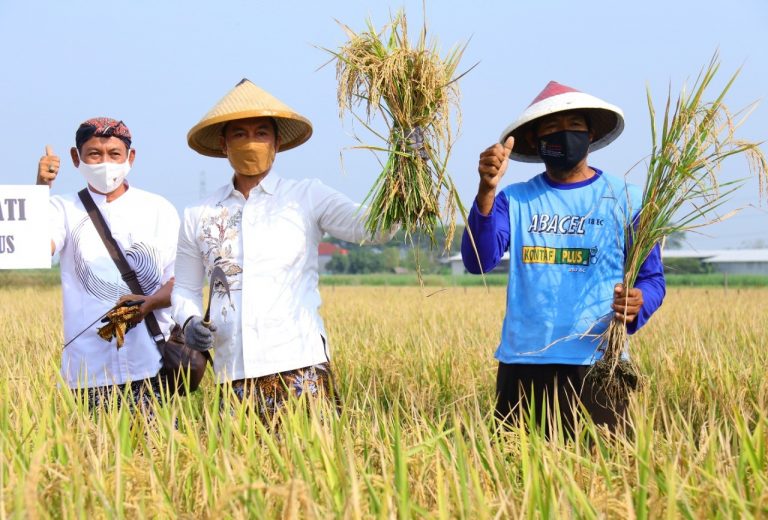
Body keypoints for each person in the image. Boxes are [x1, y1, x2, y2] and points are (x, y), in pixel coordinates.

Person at [172, 79, 392, 418]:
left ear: (276, 143)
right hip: (234, 371)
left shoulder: (307, 197)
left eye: (261, 133)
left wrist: (402, 179)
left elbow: (374, 228)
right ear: (223, 143)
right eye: (240, 134)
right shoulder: (199, 214)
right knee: (237, 469)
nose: (251, 143)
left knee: (315, 466)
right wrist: (188, 321)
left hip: (300, 365)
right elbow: (185, 287)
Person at [461, 81, 666, 436]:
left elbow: (652, 278)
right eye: (552, 130)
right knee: (517, 478)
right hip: (524, 362)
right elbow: (478, 260)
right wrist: (486, 191)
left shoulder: (628, 199)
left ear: (590, 136)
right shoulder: (515, 200)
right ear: (537, 143)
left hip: (598, 362)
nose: (564, 136)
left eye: (574, 127)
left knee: (606, 476)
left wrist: (640, 301)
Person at [37, 117, 179, 412]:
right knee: (89, 454)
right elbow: (37, 250)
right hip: (88, 369)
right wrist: (41, 189)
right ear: (77, 158)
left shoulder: (158, 209)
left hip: (150, 364)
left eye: (114, 154)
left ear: (131, 157)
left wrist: (148, 303)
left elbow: (181, 281)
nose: (105, 162)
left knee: (157, 453)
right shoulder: (61, 209)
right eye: (94, 154)